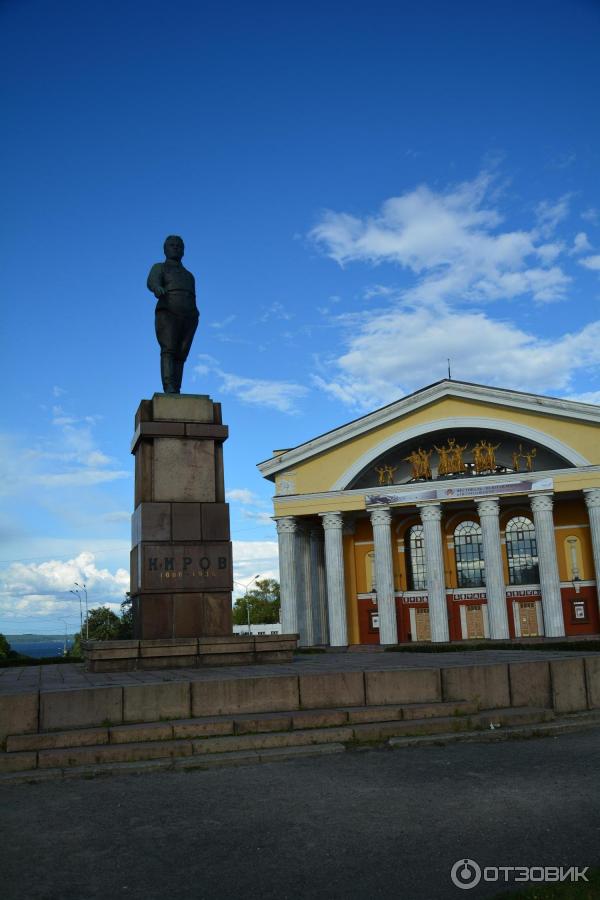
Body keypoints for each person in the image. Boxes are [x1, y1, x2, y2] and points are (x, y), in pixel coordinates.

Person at [147, 235, 199, 393]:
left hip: (189, 315)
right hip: (168, 310)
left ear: (183, 250)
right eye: (172, 245)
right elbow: (152, 281)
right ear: (165, 249)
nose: (175, 248)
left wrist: (195, 313)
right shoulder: (159, 267)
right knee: (169, 349)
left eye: (179, 245)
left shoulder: (189, 275)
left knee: (181, 354)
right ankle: (169, 386)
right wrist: (157, 288)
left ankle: (177, 388)